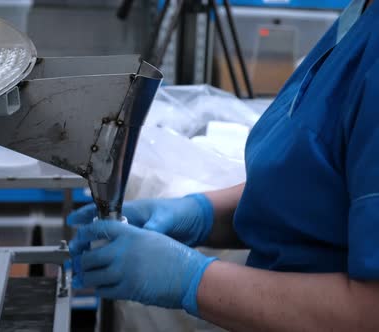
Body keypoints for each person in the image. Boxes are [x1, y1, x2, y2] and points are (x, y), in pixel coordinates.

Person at [68, 0, 379, 330]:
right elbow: (319, 187)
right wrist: (200, 214)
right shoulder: (361, 15)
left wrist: (189, 279)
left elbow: (370, 313)